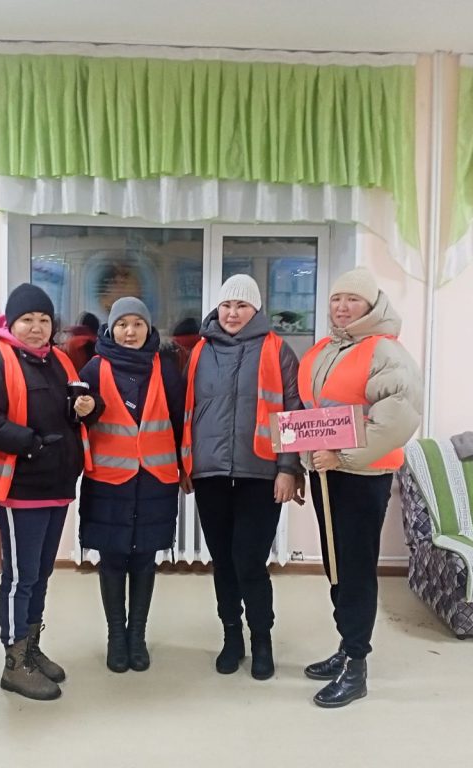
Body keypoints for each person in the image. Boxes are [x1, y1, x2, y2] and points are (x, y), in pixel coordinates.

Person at [0, 283, 104, 701]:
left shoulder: (59, 360)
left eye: (44, 319)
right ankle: (14, 662)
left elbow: (75, 409)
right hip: (20, 486)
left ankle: (31, 647)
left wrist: (88, 408)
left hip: (57, 485)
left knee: (41, 574)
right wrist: (32, 444)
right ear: (11, 323)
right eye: (27, 319)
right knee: (20, 577)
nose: (36, 327)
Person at [299, 267, 422, 709]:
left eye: (352, 299)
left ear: (371, 305)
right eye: (337, 299)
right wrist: (308, 457)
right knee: (336, 565)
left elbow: (398, 416)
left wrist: (343, 456)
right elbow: (312, 413)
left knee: (355, 568)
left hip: (361, 476)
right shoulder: (324, 350)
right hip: (326, 473)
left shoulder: (385, 351)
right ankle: (346, 645)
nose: (342, 306)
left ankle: (356, 665)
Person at [180, 274, 304, 680]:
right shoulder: (200, 351)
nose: (232, 313)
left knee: (249, 561)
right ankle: (231, 636)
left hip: (261, 474)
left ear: (256, 309)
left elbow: (292, 412)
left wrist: (288, 468)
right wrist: (186, 464)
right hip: (211, 473)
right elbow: (187, 410)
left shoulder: (278, 350)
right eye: (226, 305)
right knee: (223, 562)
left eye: (242, 306)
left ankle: (261, 639)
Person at [77, 297, 185, 673]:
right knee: (112, 559)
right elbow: (77, 420)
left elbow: (180, 421)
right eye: (122, 324)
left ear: (148, 328)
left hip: (155, 479)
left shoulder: (166, 368)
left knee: (144, 560)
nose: (130, 331)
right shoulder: (93, 368)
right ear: (111, 328)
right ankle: (115, 637)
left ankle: (137, 636)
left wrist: (186, 467)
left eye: (137, 324)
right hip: (108, 481)